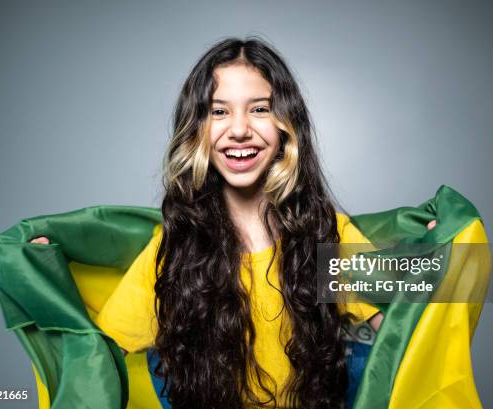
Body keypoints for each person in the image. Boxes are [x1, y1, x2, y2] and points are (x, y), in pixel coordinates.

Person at [30, 37, 435, 409]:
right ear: (197, 131)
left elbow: (408, 334)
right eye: (218, 111)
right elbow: (99, 360)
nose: (239, 130)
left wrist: (436, 261)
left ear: (286, 127)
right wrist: (44, 278)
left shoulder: (327, 235)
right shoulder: (173, 250)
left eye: (260, 109)